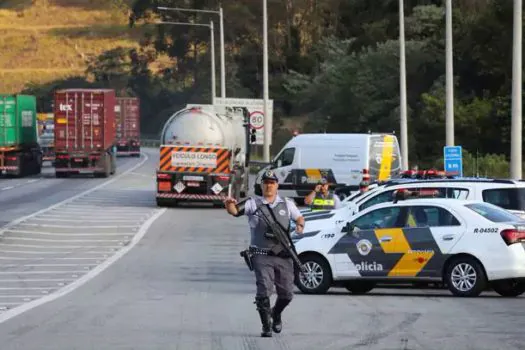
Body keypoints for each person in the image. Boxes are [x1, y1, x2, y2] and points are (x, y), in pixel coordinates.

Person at [224, 169, 305, 337]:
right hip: (261, 255)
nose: (269, 185)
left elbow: (299, 218)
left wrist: (300, 226)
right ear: (262, 185)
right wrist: (228, 204)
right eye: (266, 182)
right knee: (263, 291)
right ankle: (265, 326)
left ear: (277, 185)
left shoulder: (287, 203)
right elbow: (234, 211)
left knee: (287, 294)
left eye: (272, 183)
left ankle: (276, 314)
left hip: (283, 255)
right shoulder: (253, 203)